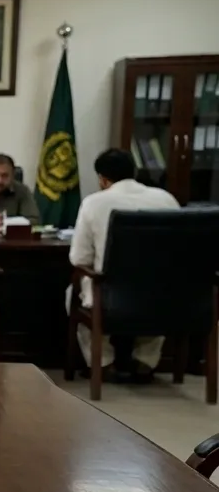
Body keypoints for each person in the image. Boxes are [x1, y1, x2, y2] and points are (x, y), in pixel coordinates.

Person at [67, 147, 180, 382]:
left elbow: (79, 259)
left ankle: (101, 362)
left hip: (110, 296)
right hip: (163, 295)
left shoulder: (94, 203)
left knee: (73, 294)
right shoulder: (166, 199)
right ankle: (145, 361)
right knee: (157, 291)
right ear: (134, 172)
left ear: (102, 179)